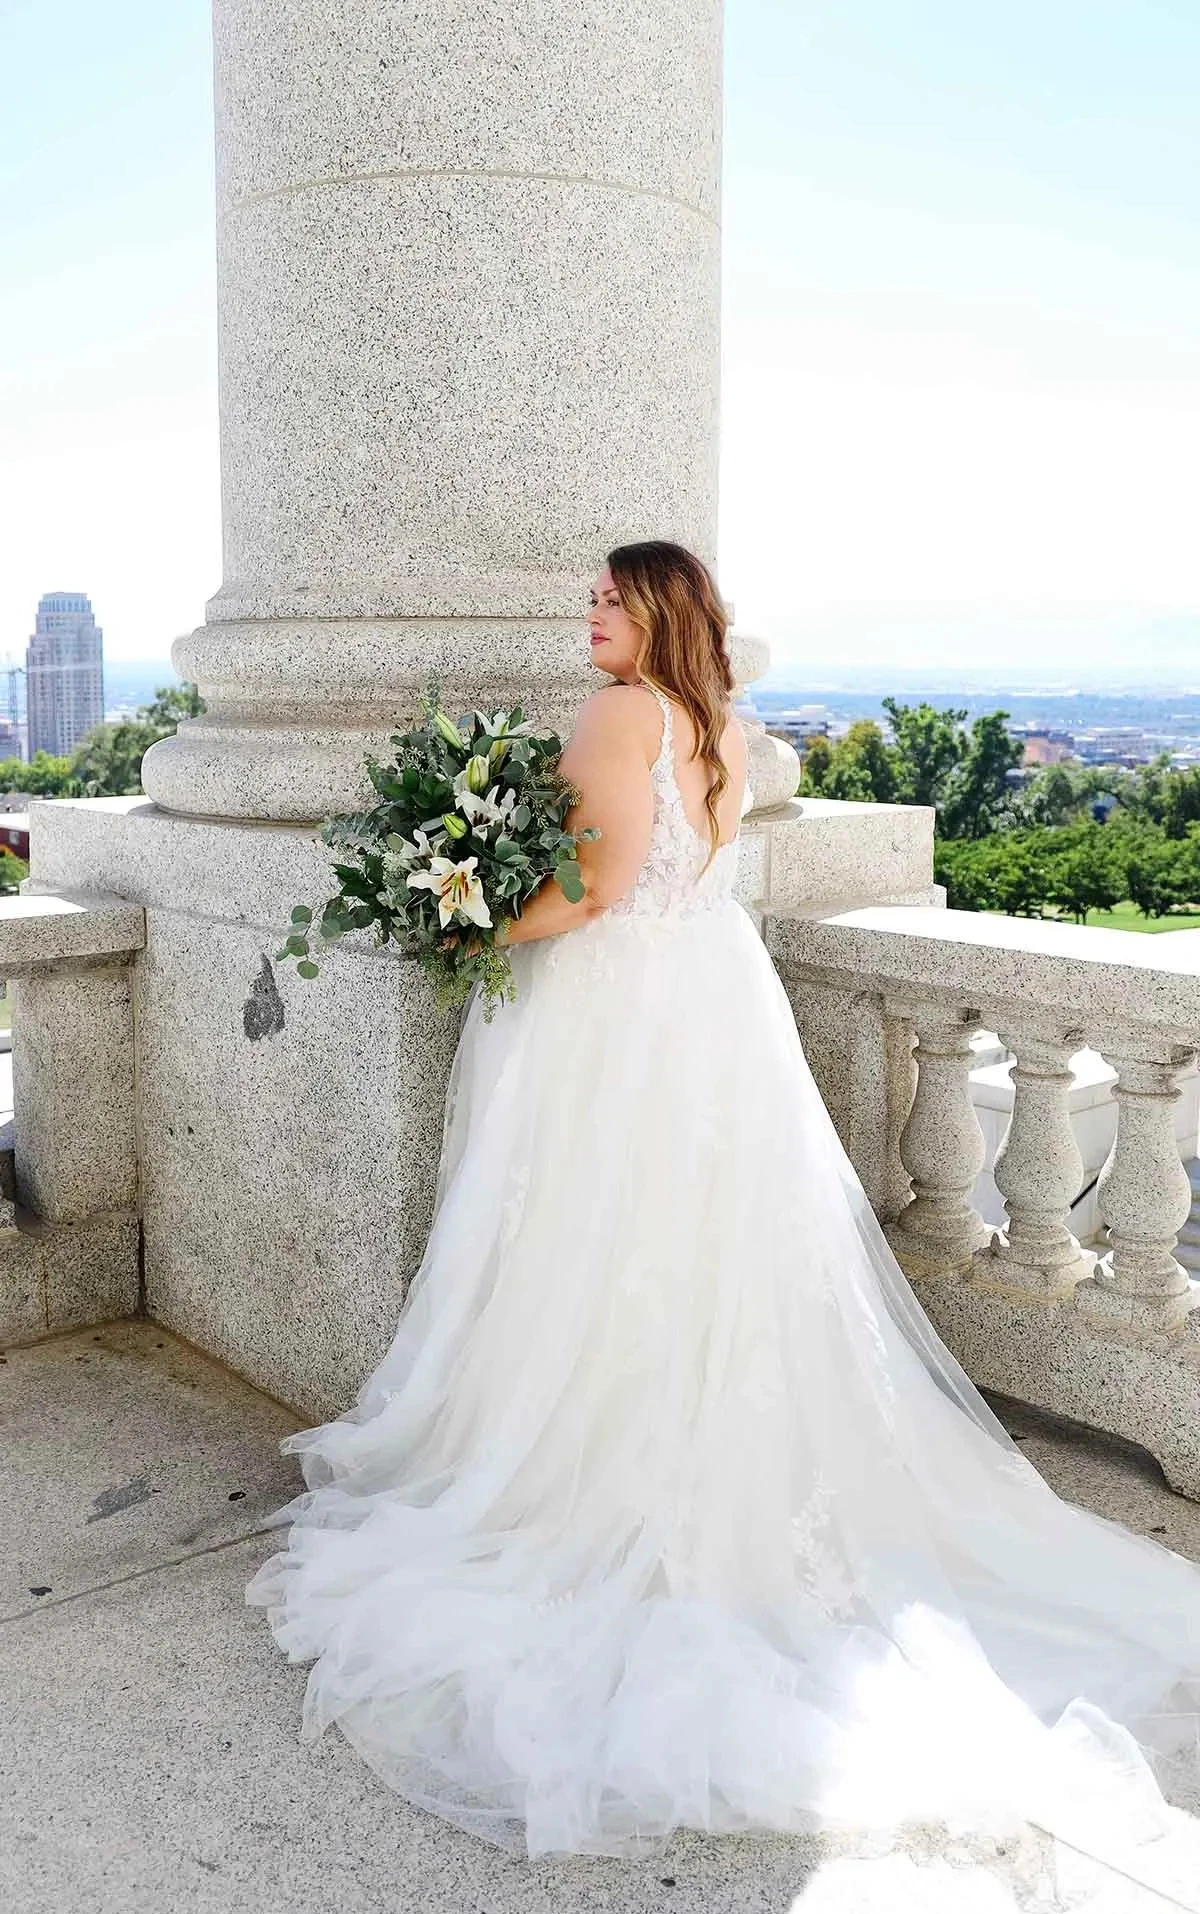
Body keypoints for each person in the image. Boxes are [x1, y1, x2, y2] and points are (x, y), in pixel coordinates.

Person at [247, 541, 1200, 1891]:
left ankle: (606, 1472)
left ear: (653, 614)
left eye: (604, 599)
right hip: (706, 1002)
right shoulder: (720, 724)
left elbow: (585, 888)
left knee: (596, 1240)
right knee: (701, 1253)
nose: (585, 616)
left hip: (617, 1015)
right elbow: (682, 874)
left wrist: (459, 915)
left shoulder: (622, 712)